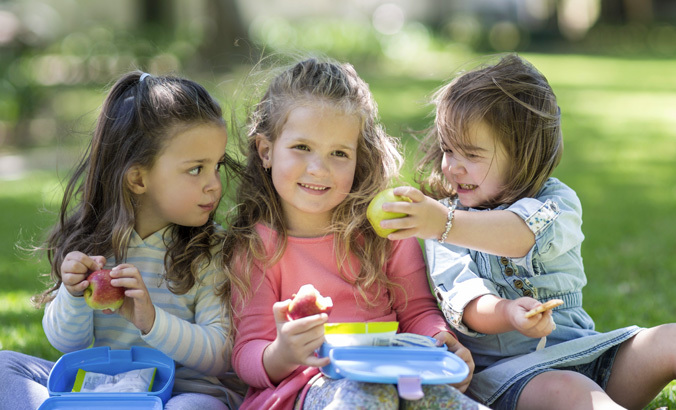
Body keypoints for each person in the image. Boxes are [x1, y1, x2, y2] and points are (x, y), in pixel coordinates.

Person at [377, 53, 676, 409]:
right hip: (513, 379)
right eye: (447, 150)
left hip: (589, 355)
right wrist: (508, 313)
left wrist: (442, 224)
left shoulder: (556, 203)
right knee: (571, 390)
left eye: (470, 155)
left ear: (523, 157)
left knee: (669, 340)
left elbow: (520, 235)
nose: (452, 167)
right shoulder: (444, 223)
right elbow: (468, 305)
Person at [218, 57, 486, 410]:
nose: (319, 168)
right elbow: (248, 354)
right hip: (308, 385)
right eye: (302, 147)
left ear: (360, 159)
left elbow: (417, 312)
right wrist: (282, 352)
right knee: (363, 400)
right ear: (266, 151)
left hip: (399, 373)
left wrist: (440, 340)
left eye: (339, 153)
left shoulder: (386, 232)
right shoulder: (256, 247)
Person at [0, 71, 242, 410]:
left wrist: (151, 320)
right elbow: (67, 344)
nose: (214, 184)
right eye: (195, 169)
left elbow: (219, 354)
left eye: (216, 166)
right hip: (103, 389)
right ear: (138, 178)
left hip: (180, 394)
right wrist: (72, 296)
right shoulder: (90, 246)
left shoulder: (211, 250)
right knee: (4, 367)